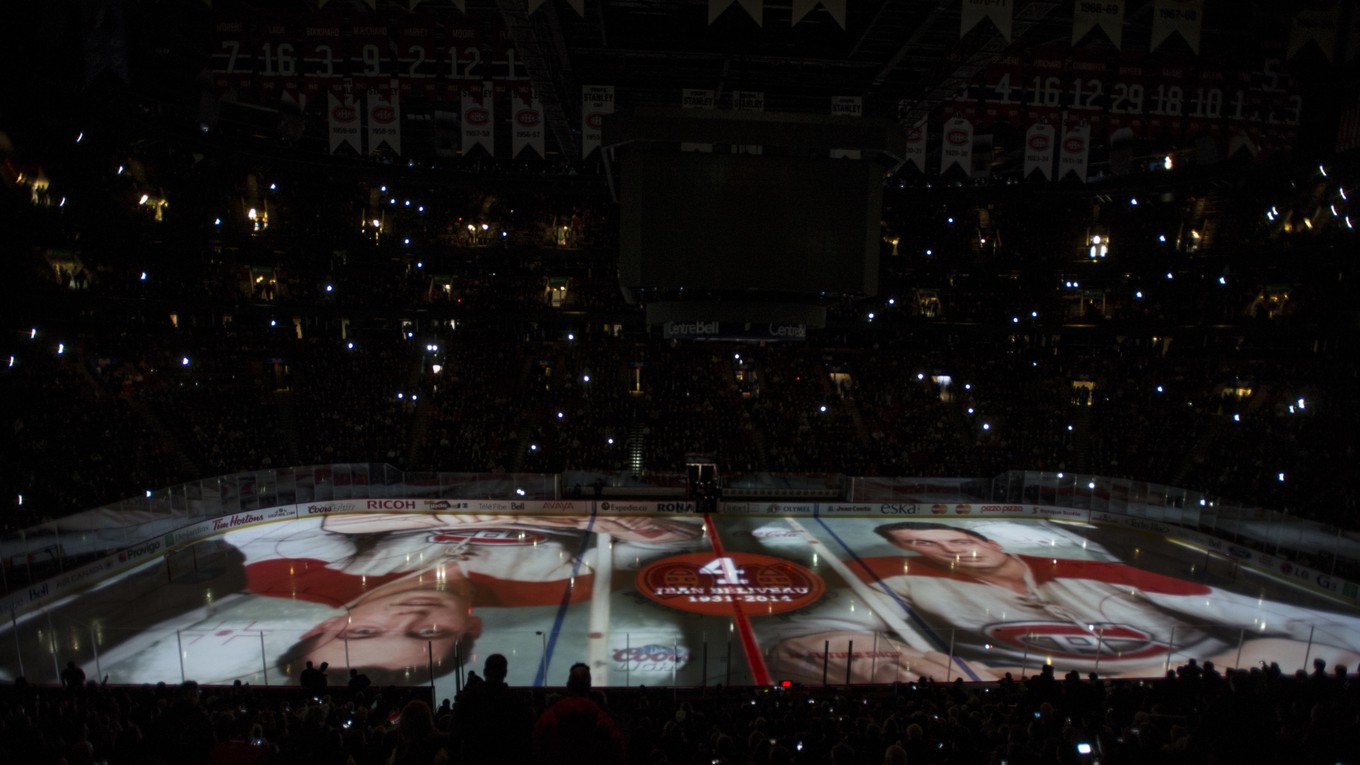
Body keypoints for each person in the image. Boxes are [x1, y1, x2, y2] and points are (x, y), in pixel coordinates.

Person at [783, 521, 1360, 680]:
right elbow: (834, 618)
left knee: (1285, 651)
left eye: (953, 538)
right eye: (923, 544)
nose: (942, 549)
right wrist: (820, 646)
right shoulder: (904, 578)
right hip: (1029, 681)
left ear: (983, 538)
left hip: (1198, 671)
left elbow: (1269, 615)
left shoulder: (1090, 572)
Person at [532, 663, 623, 765]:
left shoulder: (549, 718)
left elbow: (536, 750)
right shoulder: (603, 721)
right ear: (589, 688)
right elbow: (617, 753)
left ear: (568, 687)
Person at [451, 653, 533, 765]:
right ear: (505, 673)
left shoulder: (469, 700)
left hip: (475, 758)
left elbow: (455, 732)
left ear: (485, 672)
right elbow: (527, 734)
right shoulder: (516, 701)